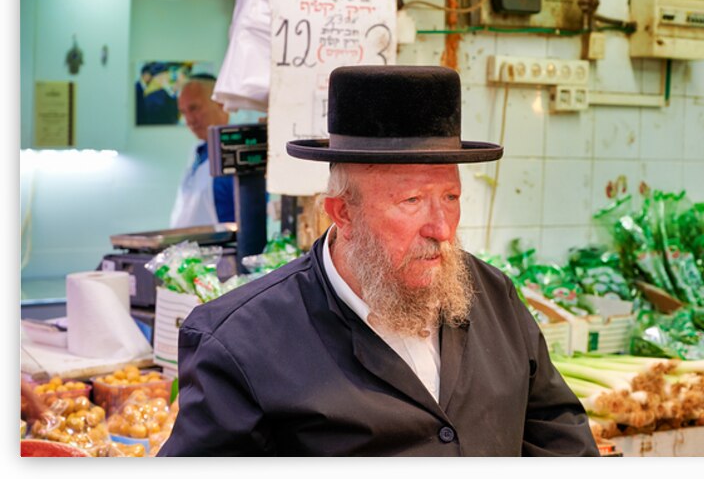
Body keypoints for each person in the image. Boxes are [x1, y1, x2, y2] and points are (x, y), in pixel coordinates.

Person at [158, 65, 599, 457]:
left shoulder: (493, 294)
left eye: (451, 197)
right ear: (343, 212)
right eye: (411, 200)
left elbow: (560, 438)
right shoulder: (239, 342)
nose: (441, 228)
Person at [169, 73, 236, 228]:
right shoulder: (198, 153)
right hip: (187, 250)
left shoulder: (236, 153)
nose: (189, 120)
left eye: (194, 108)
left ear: (221, 103)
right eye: (184, 112)